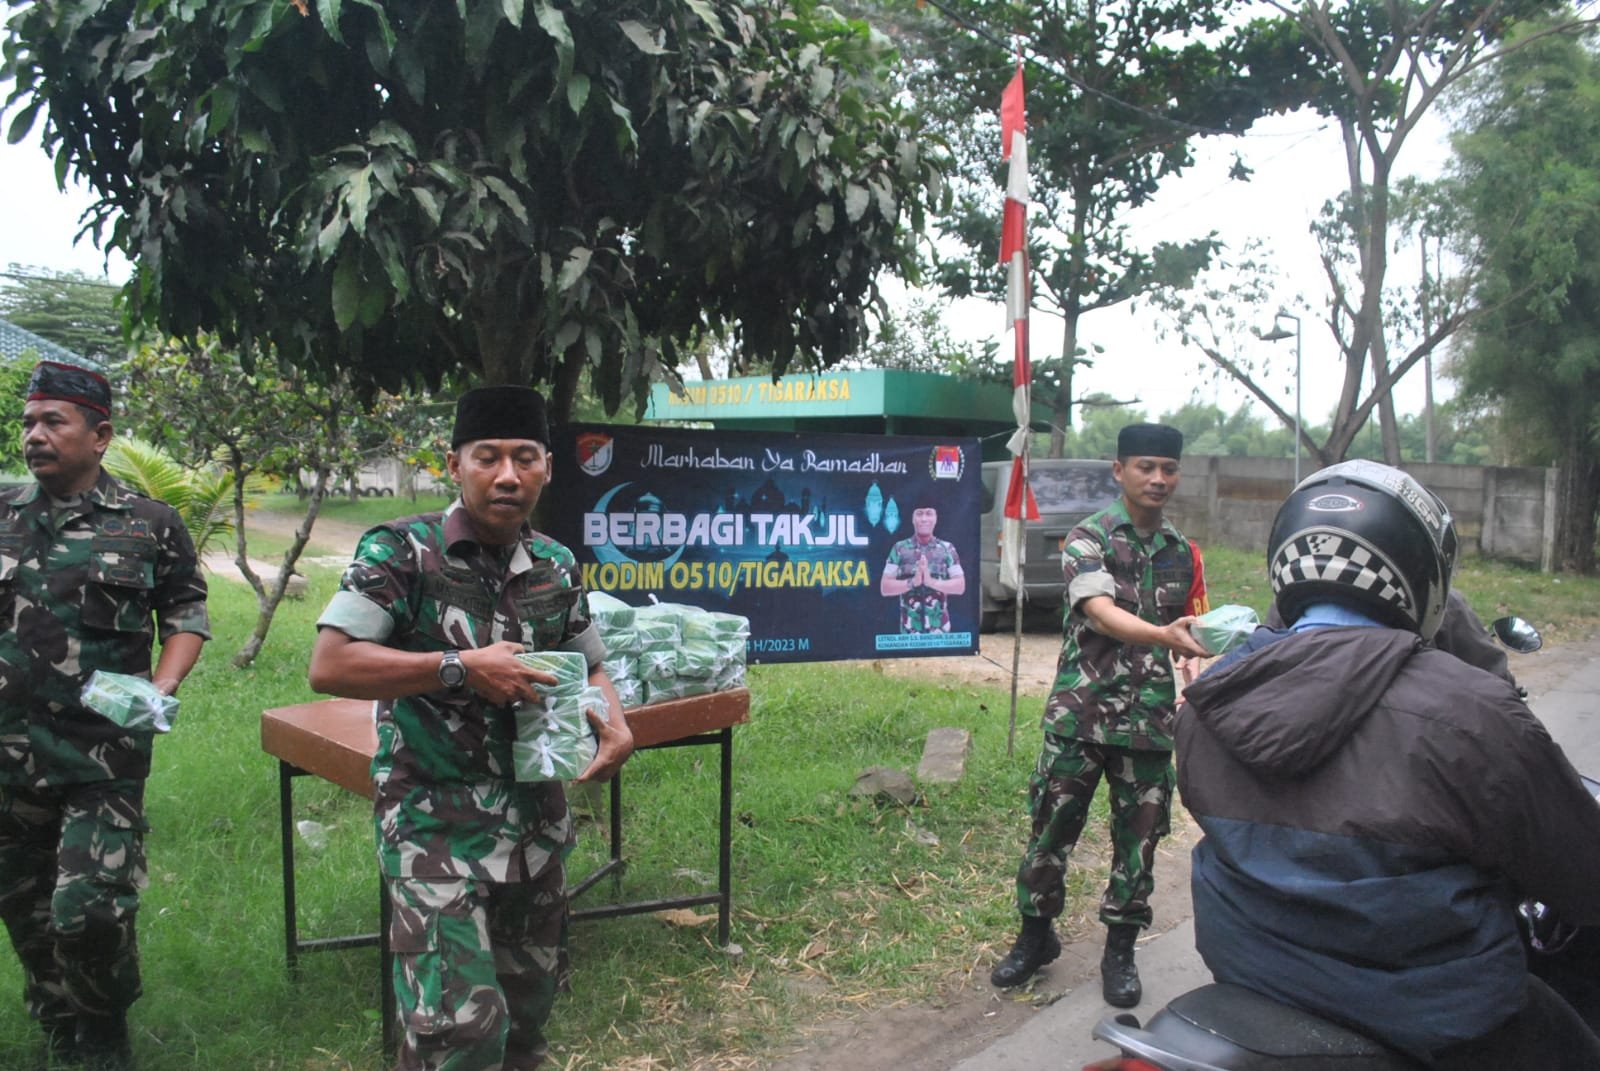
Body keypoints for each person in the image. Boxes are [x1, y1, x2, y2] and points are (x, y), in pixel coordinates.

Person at [1176, 459, 1600, 1069]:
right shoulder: (1474, 712)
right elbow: (1580, 879)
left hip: (1251, 980)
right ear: (1424, 574)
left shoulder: (1207, 702)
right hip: (1435, 1012)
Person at [308, 385, 633, 1071]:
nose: (507, 475)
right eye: (487, 457)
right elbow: (331, 663)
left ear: (547, 467)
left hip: (534, 826)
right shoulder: (402, 551)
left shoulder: (555, 564)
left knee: (526, 1025)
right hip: (433, 825)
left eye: (525, 458)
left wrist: (615, 724)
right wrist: (458, 667)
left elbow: (591, 664)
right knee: (457, 1033)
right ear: (455, 465)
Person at [0, 361, 210, 1070]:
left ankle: (101, 1028)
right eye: (29, 422)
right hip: (7, 755)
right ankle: (58, 1018)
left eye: (53, 421)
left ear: (100, 435)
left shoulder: (150, 523)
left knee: (89, 907)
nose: (35, 435)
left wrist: (163, 683)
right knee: (27, 907)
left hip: (101, 756)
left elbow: (186, 614)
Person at [989, 423, 1208, 1005]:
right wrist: (1163, 634)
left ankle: (1120, 952)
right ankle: (1035, 937)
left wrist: (1193, 657)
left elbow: (1192, 627)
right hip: (1080, 715)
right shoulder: (1088, 538)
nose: (1158, 479)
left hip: (1150, 721)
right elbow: (1100, 611)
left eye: (1168, 468)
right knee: (1051, 830)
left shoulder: (1183, 552)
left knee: (1140, 841)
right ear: (1119, 471)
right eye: (1145, 467)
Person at [879, 503, 965, 633]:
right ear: (913, 519)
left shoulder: (947, 548)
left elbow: (960, 586)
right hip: (909, 633)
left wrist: (931, 582)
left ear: (936, 518)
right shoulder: (899, 549)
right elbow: (885, 587)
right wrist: (913, 582)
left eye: (929, 513)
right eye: (919, 514)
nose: (924, 519)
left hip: (940, 632)